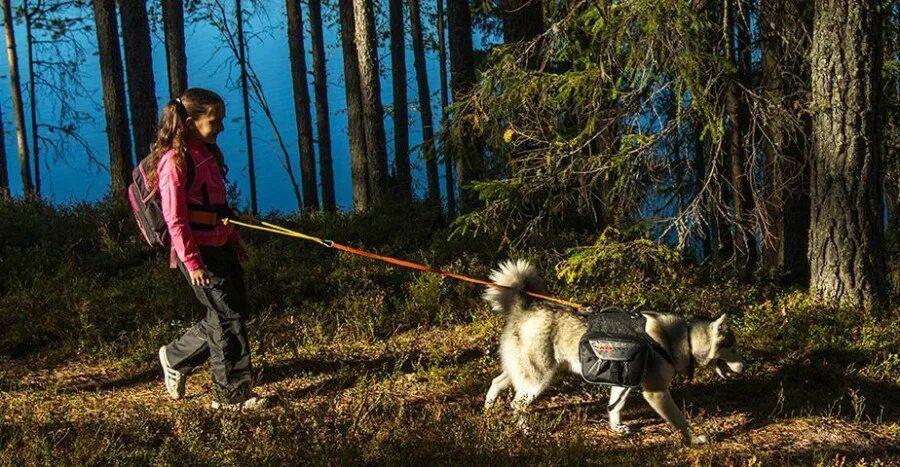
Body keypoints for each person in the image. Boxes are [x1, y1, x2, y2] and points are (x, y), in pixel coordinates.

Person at [147, 87, 266, 410]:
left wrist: (236, 239)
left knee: (233, 310)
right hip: (198, 253)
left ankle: (174, 356)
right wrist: (193, 262)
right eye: (215, 121)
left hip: (220, 243)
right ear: (189, 122)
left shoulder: (205, 153)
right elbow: (175, 220)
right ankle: (230, 396)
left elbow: (218, 207)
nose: (222, 128)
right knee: (227, 319)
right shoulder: (174, 162)